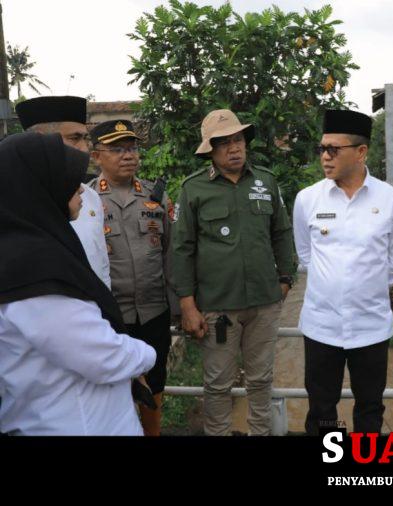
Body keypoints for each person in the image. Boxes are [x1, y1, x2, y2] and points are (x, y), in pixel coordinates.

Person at [0, 132, 156, 435]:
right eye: (68, 179)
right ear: (38, 186)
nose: (81, 189)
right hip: (73, 422)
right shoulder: (33, 269)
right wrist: (145, 354)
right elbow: (99, 355)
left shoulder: (32, 247)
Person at [173, 109, 295, 436]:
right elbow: (181, 248)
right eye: (224, 142)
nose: (234, 148)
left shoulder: (266, 181)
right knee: (217, 384)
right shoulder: (193, 189)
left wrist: (285, 279)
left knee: (261, 380)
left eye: (238, 139)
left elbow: (282, 233)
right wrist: (187, 304)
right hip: (217, 307)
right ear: (210, 150)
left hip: (264, 303)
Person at [293, 109, 393, 435]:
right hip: (321, 326)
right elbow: (306, 255)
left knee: (370, 409)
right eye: (322, 148)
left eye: (334, 149)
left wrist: (364, 288)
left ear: (361, 152)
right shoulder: (307, 200)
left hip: (370, 327)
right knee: (321, 410)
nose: (325, 156)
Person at [88, 119, 173, 436]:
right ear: (96, 156)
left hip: (153, 310)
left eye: (132, 148)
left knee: (156, 379)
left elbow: (171, 255)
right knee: (114, 385)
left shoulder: (156, 196)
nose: (128, 155)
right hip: (110, 317)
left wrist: (180, 306)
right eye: (118, 149)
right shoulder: (86, 200)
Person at [15, 96, 111, 287]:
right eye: (74, 138)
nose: (84, 149)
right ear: (40, 140)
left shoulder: (90, 196)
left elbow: (101, 264)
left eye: (84, 138)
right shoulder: (11, 201)